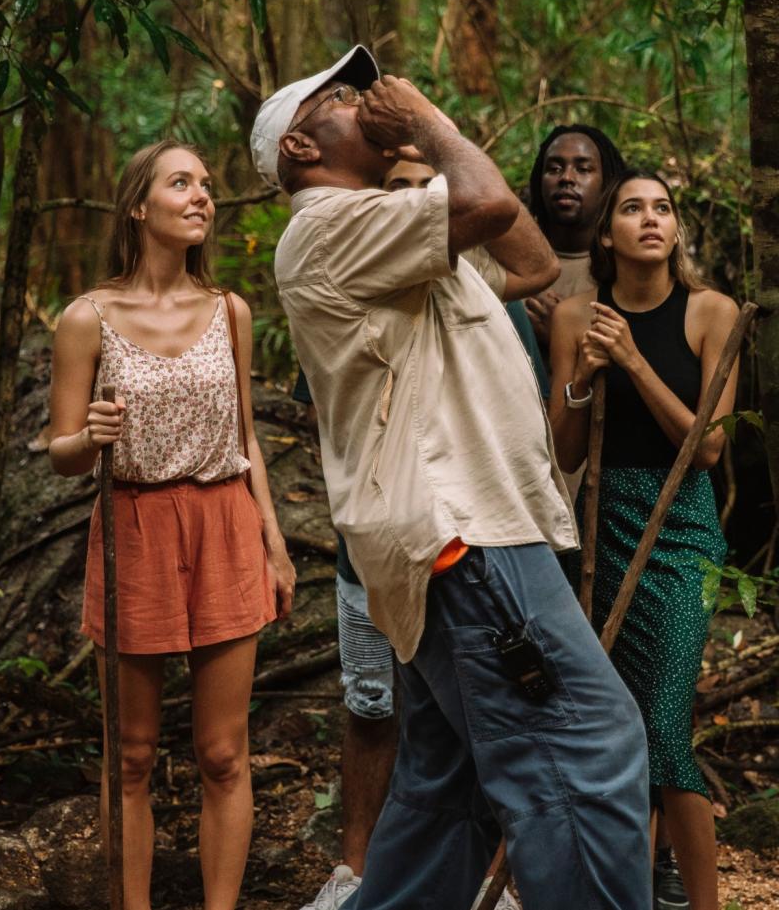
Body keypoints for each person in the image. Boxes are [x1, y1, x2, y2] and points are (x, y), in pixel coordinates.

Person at [250, 46, 652, 910]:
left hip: (466, 535)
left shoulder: (393, 228)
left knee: (446, 796)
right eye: (340, 98)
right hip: (465, 535)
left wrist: (423, 155)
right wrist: (431, 123)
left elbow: (535, 262)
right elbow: (489, 199)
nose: (365, 100)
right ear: (299, 148)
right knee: (588, 750)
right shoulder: (326, 228)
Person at [48, 139, 295, 910]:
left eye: (206, 186)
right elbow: (61, 454)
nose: (201, 197)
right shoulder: (86, 317)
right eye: (180, 183)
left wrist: (275, 543)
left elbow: (248, 436)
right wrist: (88, 437)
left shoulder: (231, 311)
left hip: (224, 523)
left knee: (223, 751)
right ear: (137, 206)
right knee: (131, 756)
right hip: (136, 527)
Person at [298, 154, 539, 910]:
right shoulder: (351, 284)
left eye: (424, 189)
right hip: (373, 546)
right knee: (373, 704)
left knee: (471, 718)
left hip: (469, 550)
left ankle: (487, 879)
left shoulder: (481, 292)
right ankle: (358, 872)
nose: (412, 202)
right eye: (395, 190)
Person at [548, 169, 739, 910]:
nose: (651, 219)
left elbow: (710, 450)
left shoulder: (710, 312)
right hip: (604, 527)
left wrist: (632, 358)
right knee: (617, 729)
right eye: (632, 208)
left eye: (662, 208)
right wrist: (584, 380)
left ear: (676, 230)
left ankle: (702, 901)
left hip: (683, 525)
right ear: (607, 233)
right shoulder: (573, 317)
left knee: (662, 725)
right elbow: (562, 453)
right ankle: (630, 890)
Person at [525, 124, 626, 348]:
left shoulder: (625, 269)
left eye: (583, 169)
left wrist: (561, 335)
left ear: (607, 182)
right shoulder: (512, 261)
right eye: (554, 168)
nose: (567, 178)